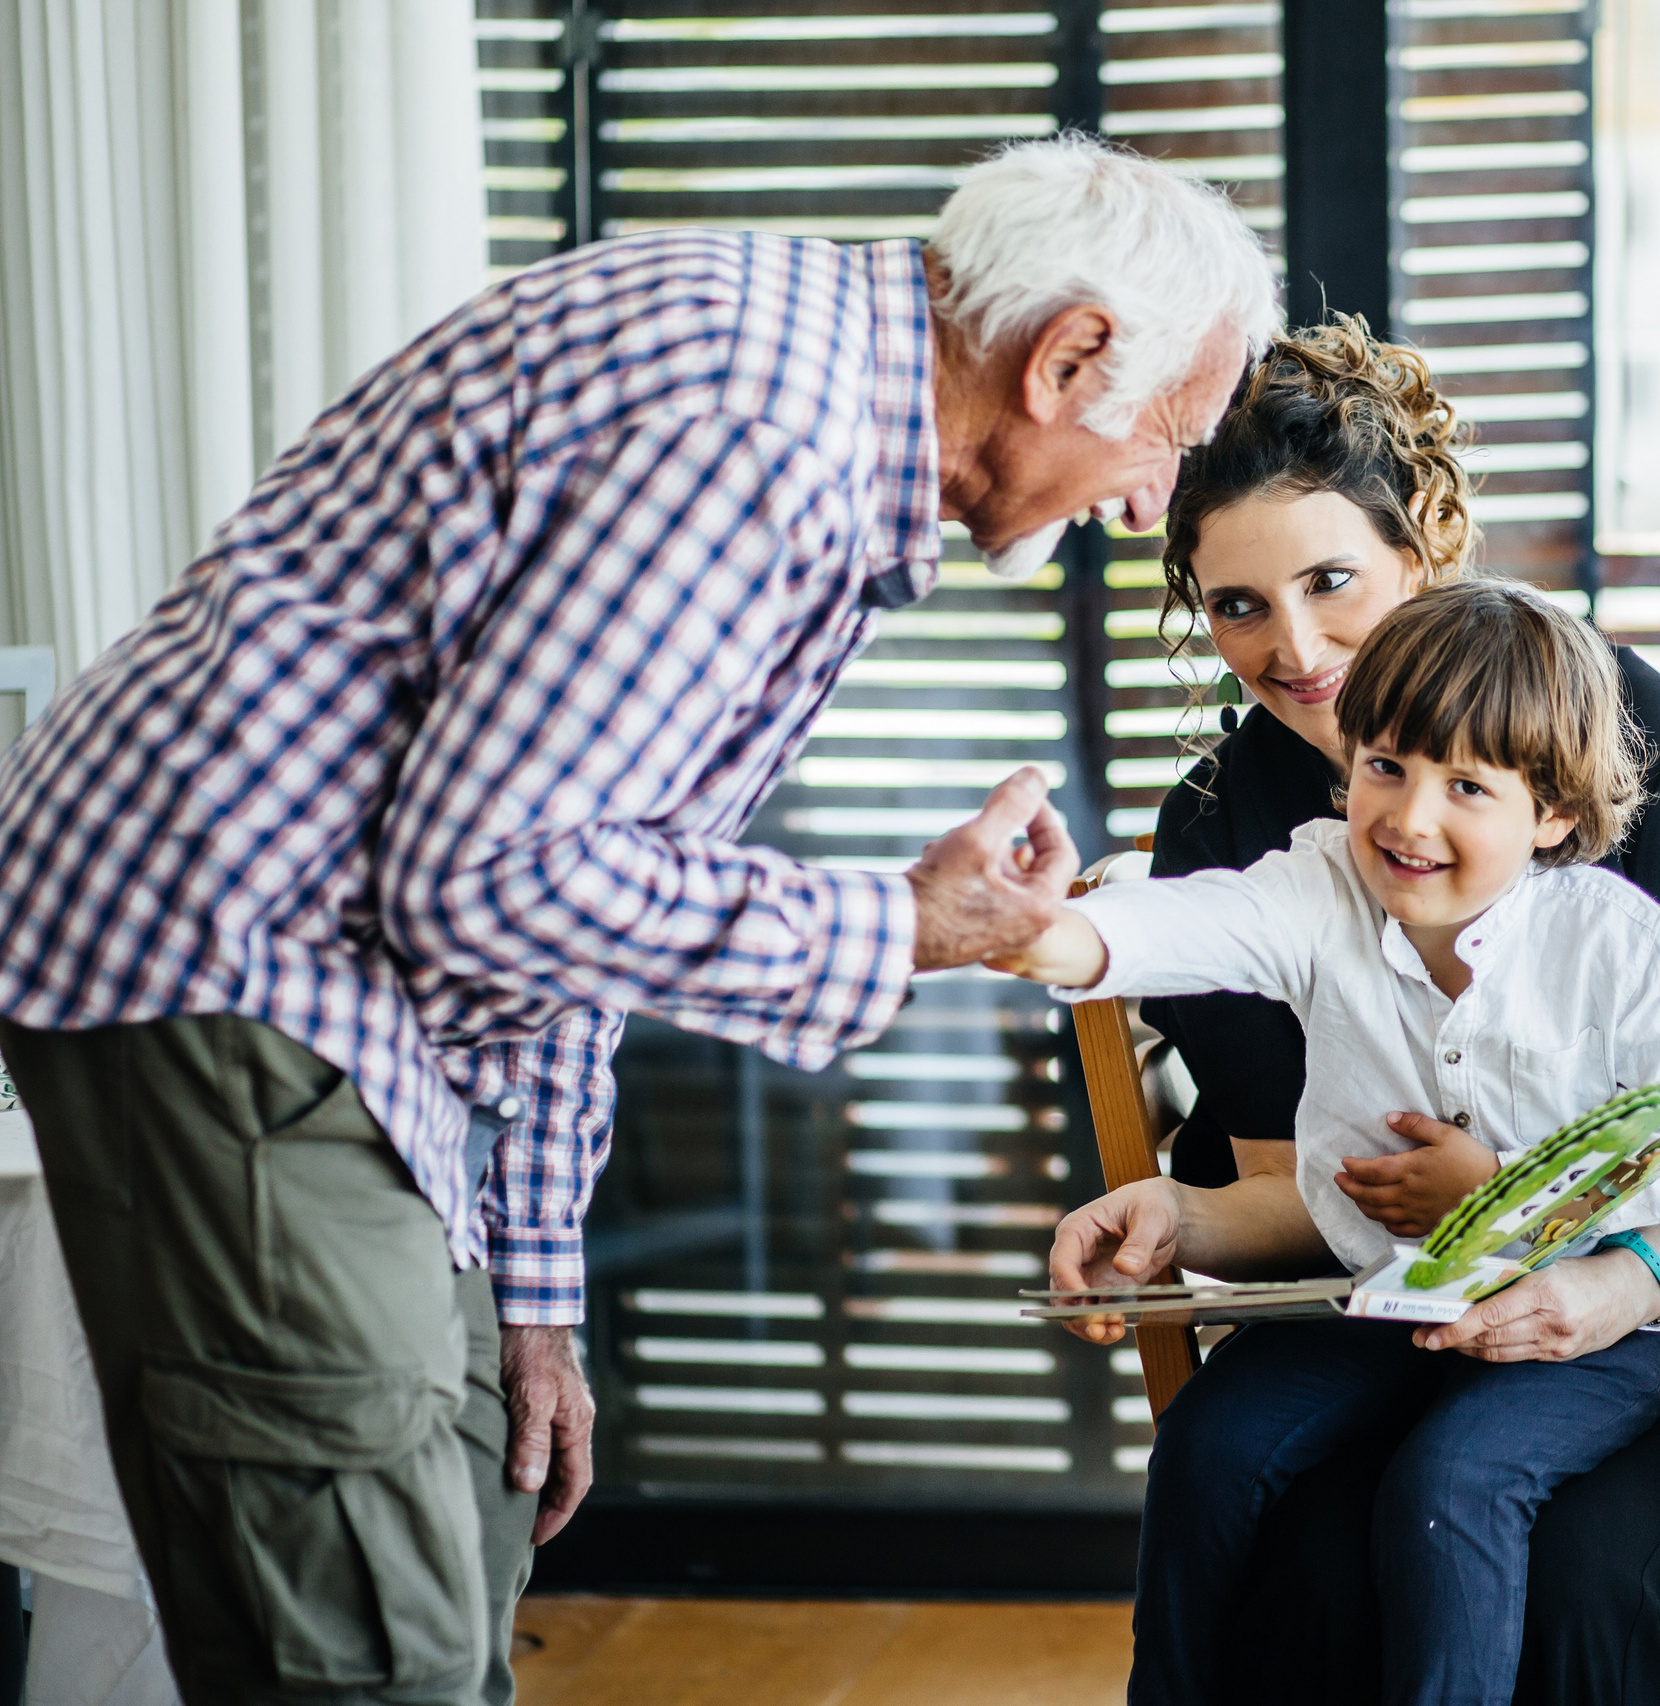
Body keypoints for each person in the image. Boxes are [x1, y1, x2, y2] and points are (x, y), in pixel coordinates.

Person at [0, 136, 1272, 1705]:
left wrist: (535, 1301)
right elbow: (496, 871)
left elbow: (583, 897)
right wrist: (901, 922)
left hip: (354, 989)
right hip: (232, 964)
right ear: (1068, 356)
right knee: (362, 1651)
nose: (1156, 497)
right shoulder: (755, 439)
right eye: (1172, 437)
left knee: (469, 1530)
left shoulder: (810, 399)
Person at [1138, 320, 1660, 1705]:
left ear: (1421, 541)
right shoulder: (1221, 830)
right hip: (1392, 1328)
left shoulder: (1606, 724)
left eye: (1330, 580)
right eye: (1237, 604)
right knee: (1308, 1554)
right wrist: (1176, 1223)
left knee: (1579, 1567)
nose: (1294, 649)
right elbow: (1288, 1193)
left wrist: (1614, 1268)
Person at [1013, 581, 1660, 1706]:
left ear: (1550, 812)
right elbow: (1185, 922)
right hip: (1388, 1296)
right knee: (1213, 1438)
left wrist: (1510, 1194)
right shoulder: (1318, 885)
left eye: (1466, 784)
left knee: (1451, 1480)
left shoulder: (1616, 942)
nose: (1411, 818)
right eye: (1386, 766)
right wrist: (1043, 931)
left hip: (1591, 1324)